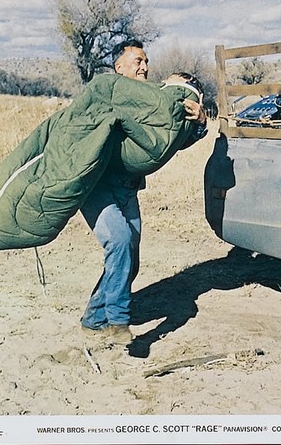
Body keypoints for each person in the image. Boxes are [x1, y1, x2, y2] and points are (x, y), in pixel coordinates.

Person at [79, 40, 208, 346]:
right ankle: (118, 321)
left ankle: (93, 319)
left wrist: (200, 123)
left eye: (146, 61)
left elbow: (168, 141)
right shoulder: (109, 95)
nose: (145, 67)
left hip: (128, 190)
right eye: (138, 60)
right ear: (119, 67)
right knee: (120, 241)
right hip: (98, 187)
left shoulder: (151, 101)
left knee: (129, 260)